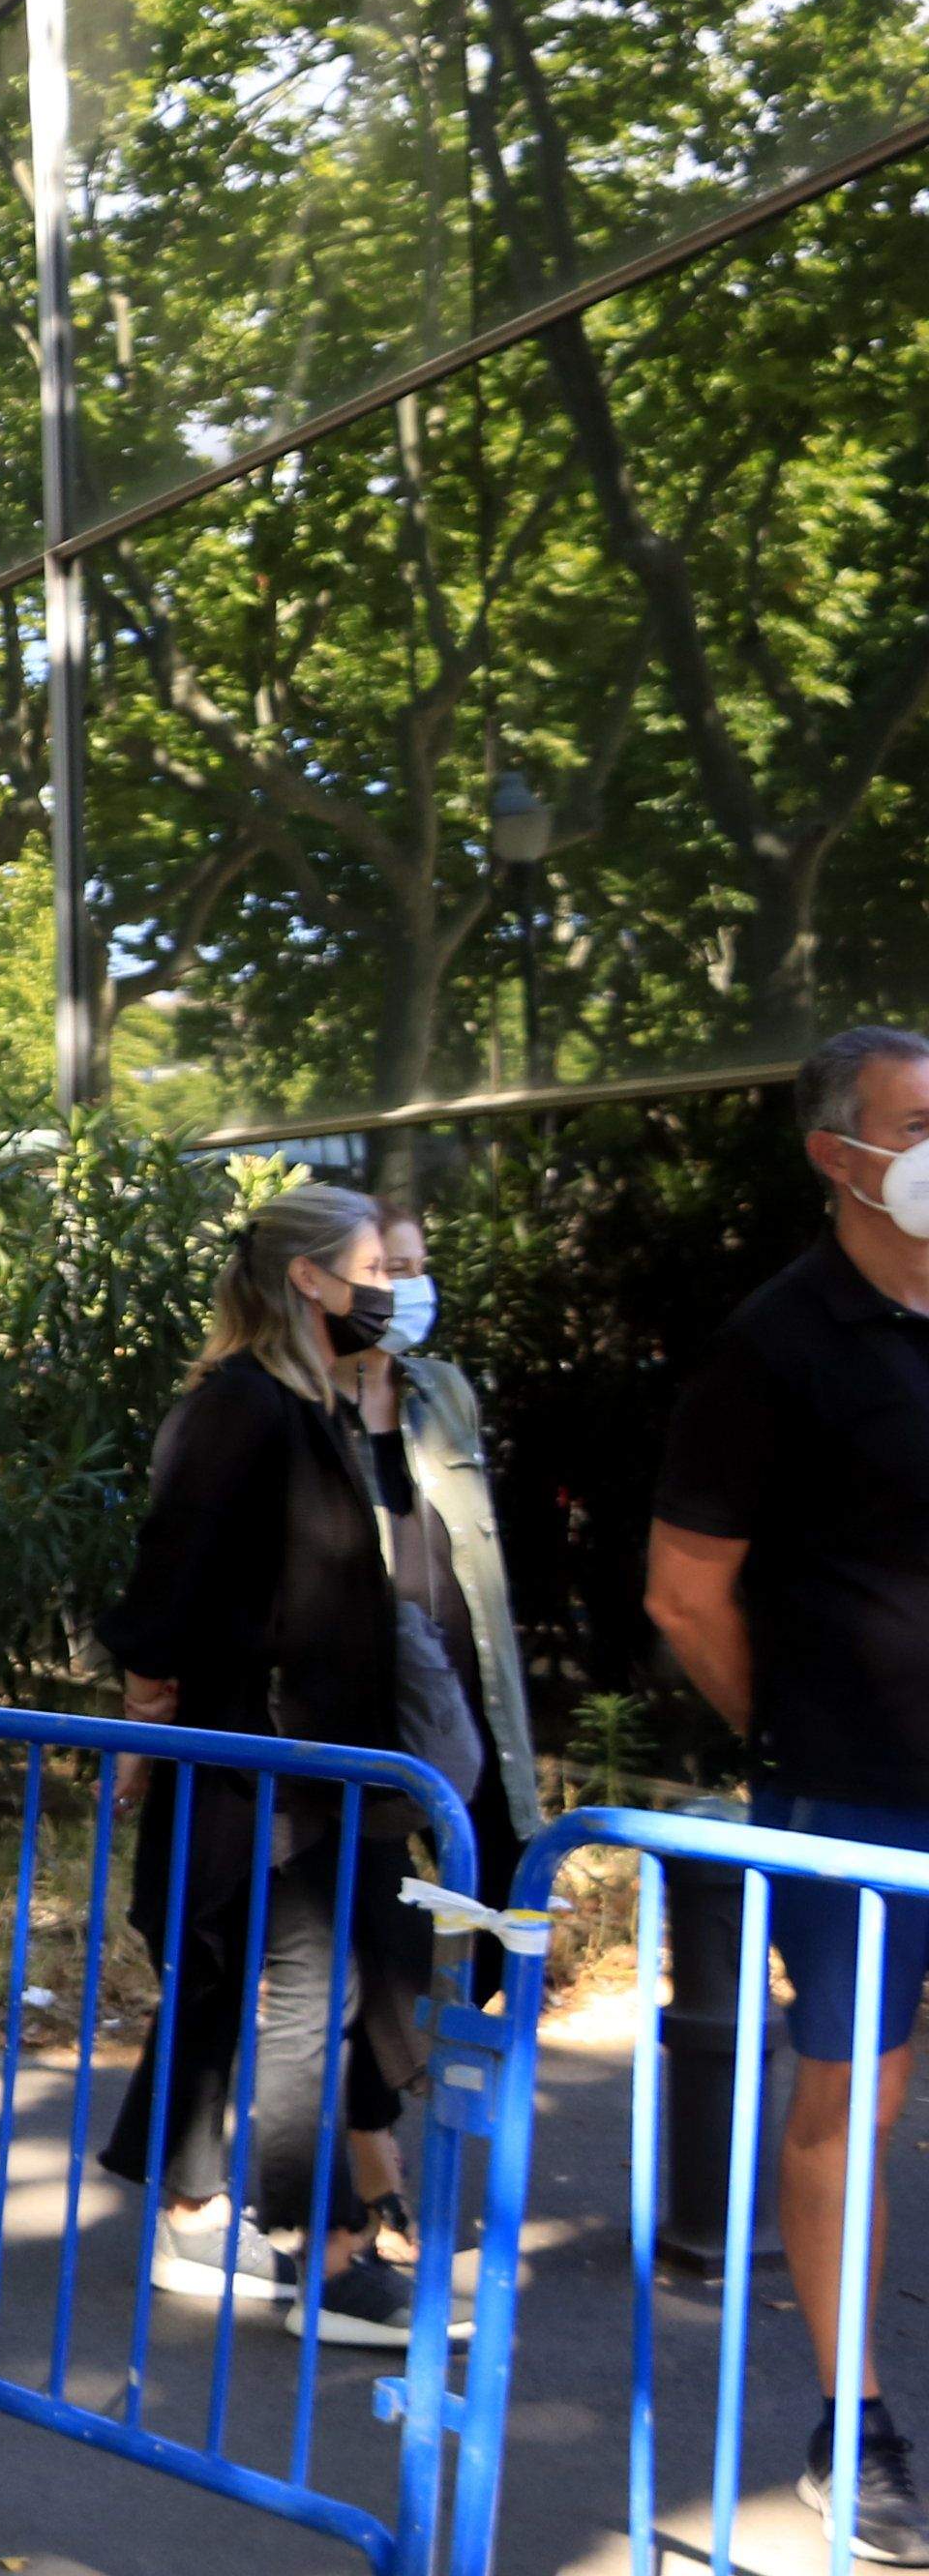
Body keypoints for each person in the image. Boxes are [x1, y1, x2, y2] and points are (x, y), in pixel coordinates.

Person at [646, 1024, 929, 2557]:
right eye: (922, 1122)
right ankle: (854, 2426)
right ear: (842, 1155)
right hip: (857, 1808)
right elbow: (685, 1594)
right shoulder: (773, 1344)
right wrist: (807, 1744)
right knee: (850, 2102)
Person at [96, 1181, 428, 2354]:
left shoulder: (310, 1403)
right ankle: (324, 2256)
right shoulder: (241, 1407)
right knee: (307, 1999)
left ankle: (202, 2215)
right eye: (373, 1269)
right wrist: (149, 1706)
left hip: (313, 1761)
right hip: (263, 1762)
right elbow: (169, 1581)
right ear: (307, 1277)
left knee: (249, 1984)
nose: (390, 1291)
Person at [339, 1196, 543, 2260]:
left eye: (418, 1265)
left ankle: (444, 2117)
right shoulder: (300, 1405)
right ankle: (373, 2162)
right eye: (389, 1268)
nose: (408, 1287)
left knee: (508, 1910)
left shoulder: (442, 1390)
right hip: (367, 1716)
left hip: (471, 1702)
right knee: (380, 1947)